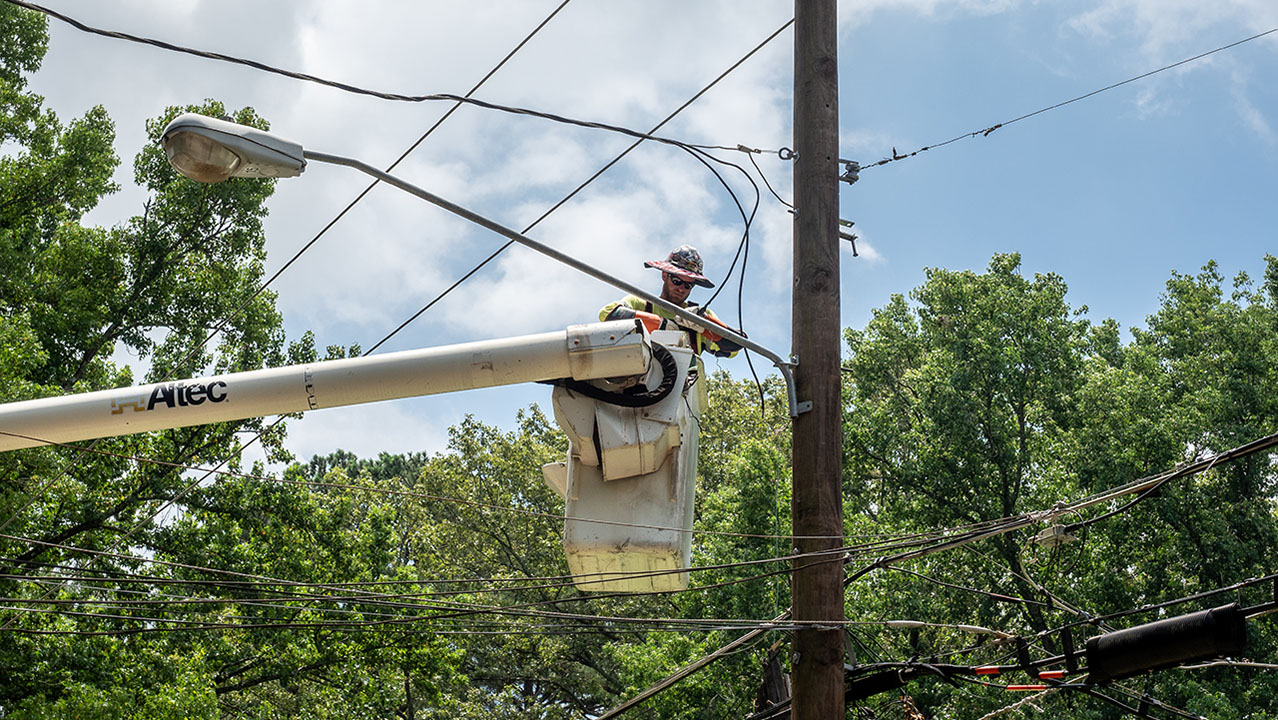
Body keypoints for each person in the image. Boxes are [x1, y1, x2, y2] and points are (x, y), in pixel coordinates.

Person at [599, 245, 743, 359]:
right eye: (677, 281)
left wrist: (703, 325)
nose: (681, 289)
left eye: (688, 285)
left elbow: (733, 346)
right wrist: (663, 325)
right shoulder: (641, 304)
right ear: (664, 276)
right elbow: (608, 314)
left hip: (682, 390)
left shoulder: (699, 316)